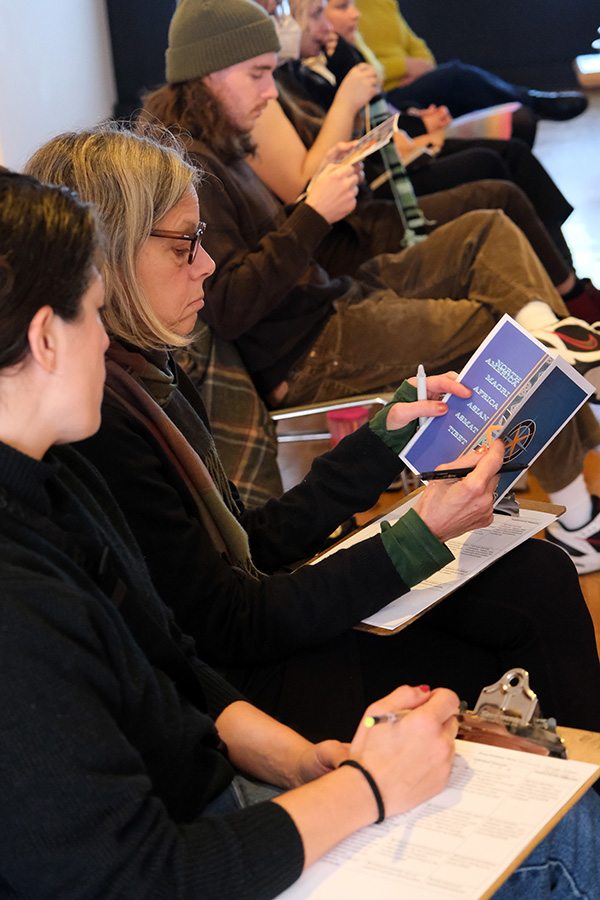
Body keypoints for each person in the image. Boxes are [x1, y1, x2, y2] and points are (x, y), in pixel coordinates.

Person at [0, 169, 597, 900]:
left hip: (231, 771)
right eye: (91, 312)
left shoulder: (65, 472)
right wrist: (368, 788)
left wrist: (300, 764)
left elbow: (182, 655)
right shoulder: (72, 490)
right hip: (211, 820)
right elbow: (139, 869)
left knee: (531, 582)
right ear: (43, 338)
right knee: (571, 839)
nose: (210, 265)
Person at [140, 0, 600, 568]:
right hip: (307, 352)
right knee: (496, 335)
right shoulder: (189, 165)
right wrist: (313, 212)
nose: (270, 90)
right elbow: (231, 306)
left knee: (487, 230)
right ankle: (578, 519)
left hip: (328, 298)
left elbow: (266, 251)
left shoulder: (221, 138)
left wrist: (317, 198)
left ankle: (559, 352)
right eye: (258, 74)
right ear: (209, 73)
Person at [277, 0, 600, 321]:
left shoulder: (312, 70)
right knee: (495, 176)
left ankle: (568, 286)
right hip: (368, 199)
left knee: (508, 155)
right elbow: (314, 174)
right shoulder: (296, 81)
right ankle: (569, 297)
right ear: (290, 22)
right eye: (328, 11)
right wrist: (364, 103)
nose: (347, 17)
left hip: (377, 171)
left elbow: (406, 74)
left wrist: (404, 123)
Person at [353, 0, 588, 121]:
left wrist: (423, 68)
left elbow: (416, 45)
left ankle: (526, 109)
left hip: (414, 82)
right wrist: (404, 66)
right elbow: (357, 65)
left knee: (489, 111)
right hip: (384, 97)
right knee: (456, 76)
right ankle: (533, 102)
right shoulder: (338, 9)